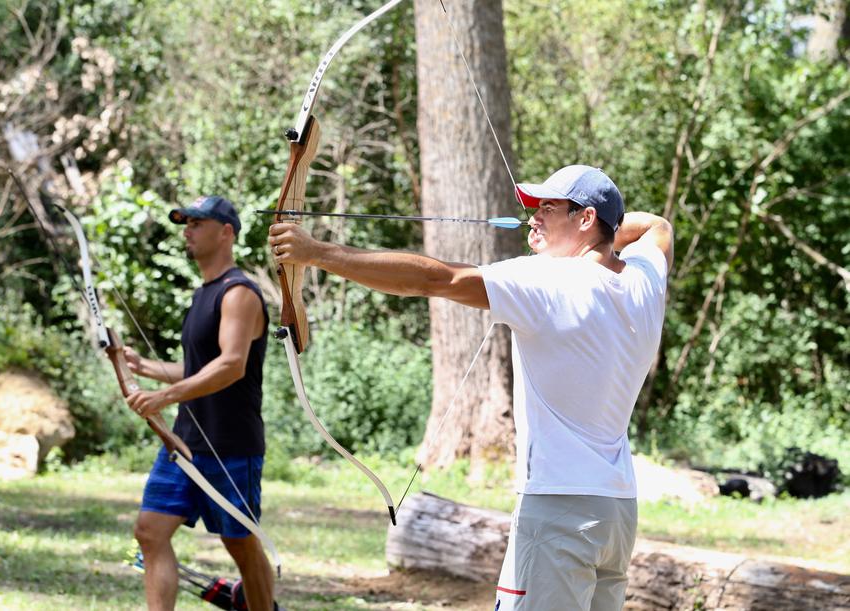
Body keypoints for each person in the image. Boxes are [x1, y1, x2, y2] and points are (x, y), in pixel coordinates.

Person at [268, 165, 673, 611]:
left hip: (557, 508)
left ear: (585, 219)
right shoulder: (644, 279)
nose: (533, 216)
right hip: (617, 512)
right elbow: (658, 226)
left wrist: (318, 253)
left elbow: (436, 279)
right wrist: (606, 234)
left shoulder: (549, 280)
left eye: (549, 208)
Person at [124, 195, 275, 611]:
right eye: (185, 223)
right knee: (150, 532)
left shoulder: (238, 293)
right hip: (183, 443)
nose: (187, 230)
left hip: (231, 446)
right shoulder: (202, 294)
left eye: (197, 223)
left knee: (241, 546)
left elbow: (231, 365)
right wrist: (147, 368)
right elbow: (196, 367)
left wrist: (164, 396)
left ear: (226, 232)